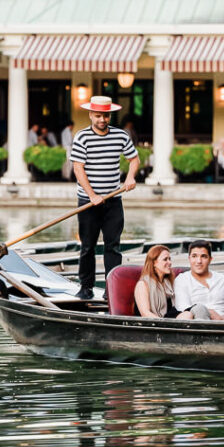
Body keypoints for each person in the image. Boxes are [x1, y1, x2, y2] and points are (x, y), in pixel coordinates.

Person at [70, 96, 139, 301]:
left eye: (105, 115)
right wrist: (92, 196)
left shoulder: (120, 136)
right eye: (98, 115)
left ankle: (112, 290)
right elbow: (78, 168)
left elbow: (134, 159)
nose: (102, 119)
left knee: (113, 246)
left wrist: (130, 176)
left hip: (113, 201)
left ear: (110, 115)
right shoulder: (82, 137)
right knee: (88, 246)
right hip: (88, 202)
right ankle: (86, 288)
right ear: (91, 115)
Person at [133, 245, 193, 319]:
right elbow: (145, 313)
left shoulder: (168, 283)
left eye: (169, 259)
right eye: (165, 259)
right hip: (152, 324)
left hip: (169, 319)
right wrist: (162, 323)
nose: (170, 262)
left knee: (192, 312)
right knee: (188, 315)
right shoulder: (142, 284)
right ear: (154, 263)